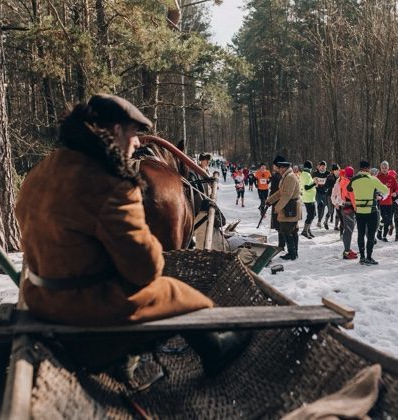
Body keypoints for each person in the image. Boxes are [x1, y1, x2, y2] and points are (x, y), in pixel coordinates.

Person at [15, 93, 249, 374]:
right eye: (134, 133)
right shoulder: (112, 185)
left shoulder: (42, 170)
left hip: (40, 297)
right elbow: (145, 269)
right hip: (82, 307)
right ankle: (217, 349)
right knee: (177, 291)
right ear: (115, 132)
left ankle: (123, 356)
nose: (138, 143)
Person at [348, 160, 388, 265]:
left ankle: (362, 257)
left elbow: (349, 189)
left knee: (360, 234)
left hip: (359, 211)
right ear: (367, 168)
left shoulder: (354, 180)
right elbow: (386, 190)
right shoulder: (372, 179)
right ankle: (369, 257)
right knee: (370, 235)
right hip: (371, 210)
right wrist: (381, 197)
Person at [266, 158, 302, 260]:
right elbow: (280, 192)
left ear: (284, 168)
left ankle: (292, 253)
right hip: (289, 206)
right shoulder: (286, 176)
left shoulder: (290, 177)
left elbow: (286, 195)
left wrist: (277, 208)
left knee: (286, 230)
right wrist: (270, 200)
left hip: (291, 207)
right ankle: (294, 253)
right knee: (292, 230)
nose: (278, 169)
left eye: (280, 167)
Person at [333, 166, 358, 259]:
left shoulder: (342, 181)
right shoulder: (349, 183)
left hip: (344, 206)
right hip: (349, 208)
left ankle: (347, 250)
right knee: (348, 230)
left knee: (347, 230)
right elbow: (352, 197)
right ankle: (346, 252)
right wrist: (356, 207)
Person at [376, 161, 398, 242]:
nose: (384, 169)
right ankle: (380, 231)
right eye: (382, 168)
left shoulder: (392, 178)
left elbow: (397, 189)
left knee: (388, 219)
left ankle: (384, 236)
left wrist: (394, 193)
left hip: (389, 203)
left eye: (385, 168)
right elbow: (374, 189)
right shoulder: (377, 177)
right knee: (385, 218)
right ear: (380, 168)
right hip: (381, 203)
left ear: (388, 168)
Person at [269, 156, 286, 249]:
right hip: (284, 202)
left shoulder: (276, 176)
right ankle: (282, 244)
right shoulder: (285, 175)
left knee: (280, 225)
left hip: (277, 202)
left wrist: (269, 201)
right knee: (282, 224)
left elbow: (274, 191)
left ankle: (281, 245)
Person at [300, 160, 317, 238]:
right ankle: (305, 231)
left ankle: (308, 230)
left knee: (313, 214)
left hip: (309, 198)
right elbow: (306, 187)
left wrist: (312, 182)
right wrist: (314, 183)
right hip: (308, 198)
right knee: (311, 215)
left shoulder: (304, 174)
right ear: (310, 167)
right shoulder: (307, 175)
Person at [312, 161, 330, 229]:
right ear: (319, 167)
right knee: (320, 204)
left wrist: (326, 187)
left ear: (325, 167)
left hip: (325, 192)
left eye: (324, 166)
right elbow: (312, 182)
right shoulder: (315, 173)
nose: (322, 167)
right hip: (317, 192)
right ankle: (319, 222)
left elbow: (330, 182)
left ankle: (319, 220)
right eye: (321, 166)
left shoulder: (328, 174)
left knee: (323, 207)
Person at [325, 164, 340, 230]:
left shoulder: (341, 177)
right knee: (330, 211)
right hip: (330, 195)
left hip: (338, 196)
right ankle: (325, 222)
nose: (337, 171)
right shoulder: (329, 177)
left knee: (338, 211)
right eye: (335, 170)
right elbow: (326, 186)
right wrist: (333, 187)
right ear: (333, 171)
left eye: (338, 170)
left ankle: (336, 226)